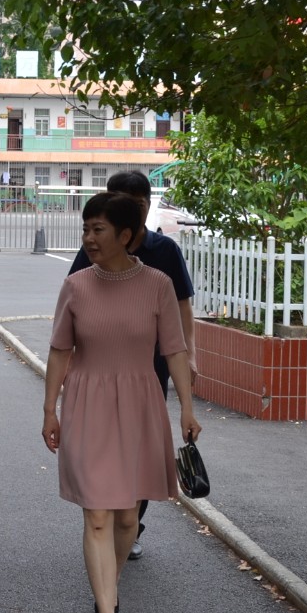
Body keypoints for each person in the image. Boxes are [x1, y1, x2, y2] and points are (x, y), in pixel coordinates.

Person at [42, 192, 200, 613]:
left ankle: (108, 585)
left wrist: (187, 410)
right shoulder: (75, 286)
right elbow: (59, 350)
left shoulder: (157, 285)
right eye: (86, 229)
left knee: (128, 517)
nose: (88, 238)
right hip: (87, 402)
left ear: (126, 235)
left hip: (139, 402)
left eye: (99, 230)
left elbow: (174, 350)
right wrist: (49, 410)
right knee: (97, 515)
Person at [67, 170, 197, 561]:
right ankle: (103, 518)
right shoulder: (96, 248)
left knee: (137, 450)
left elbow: (182, 306)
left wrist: (190, 354)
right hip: (102, 371)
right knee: (105, 450)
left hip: (148, 368)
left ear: (147, 205)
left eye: (138, 203)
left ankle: (131, 522)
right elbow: (75, 302)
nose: (131, 210)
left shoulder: (164, 251)